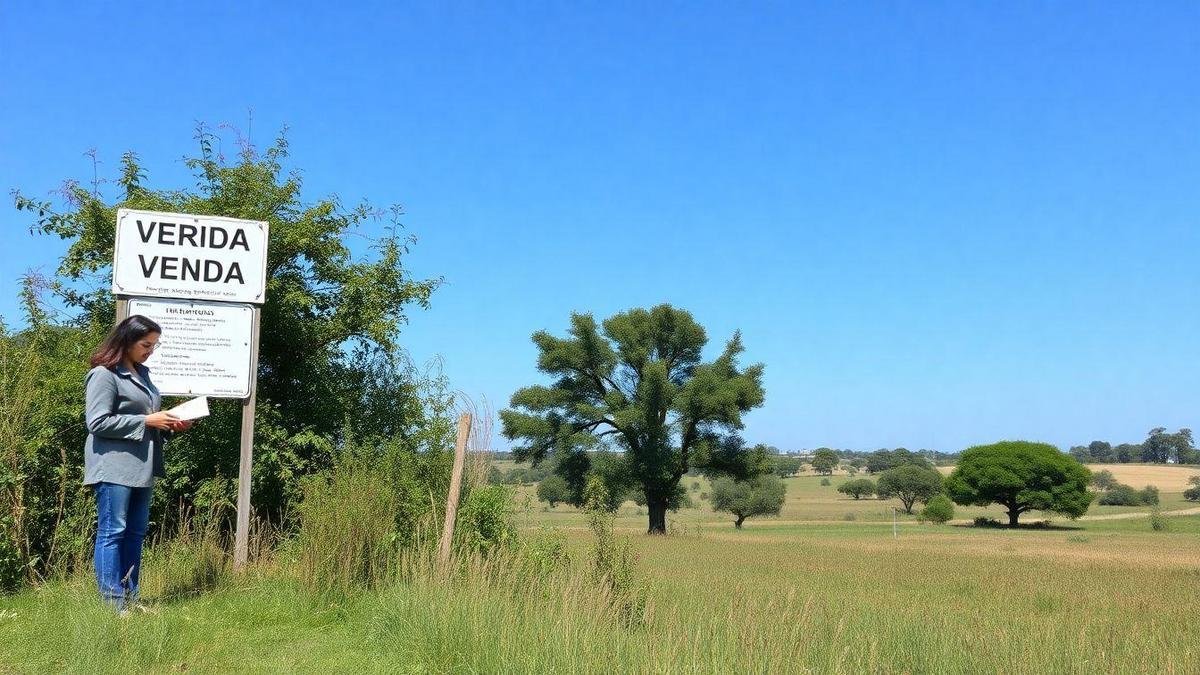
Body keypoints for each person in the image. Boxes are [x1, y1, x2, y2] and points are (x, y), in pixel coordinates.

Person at [84, 314, 192, 611]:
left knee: (135, 532)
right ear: (127, 340)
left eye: (154, 345)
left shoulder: (143, 374)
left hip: (144, 466)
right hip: (114, 467)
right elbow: (97, 422)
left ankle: (131, 598)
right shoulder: (104, 375)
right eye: (146, 344)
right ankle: (113, 604)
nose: (150, 351)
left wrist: (169, 424)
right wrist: (147, 420)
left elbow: (148, 421)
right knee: (112, 532)